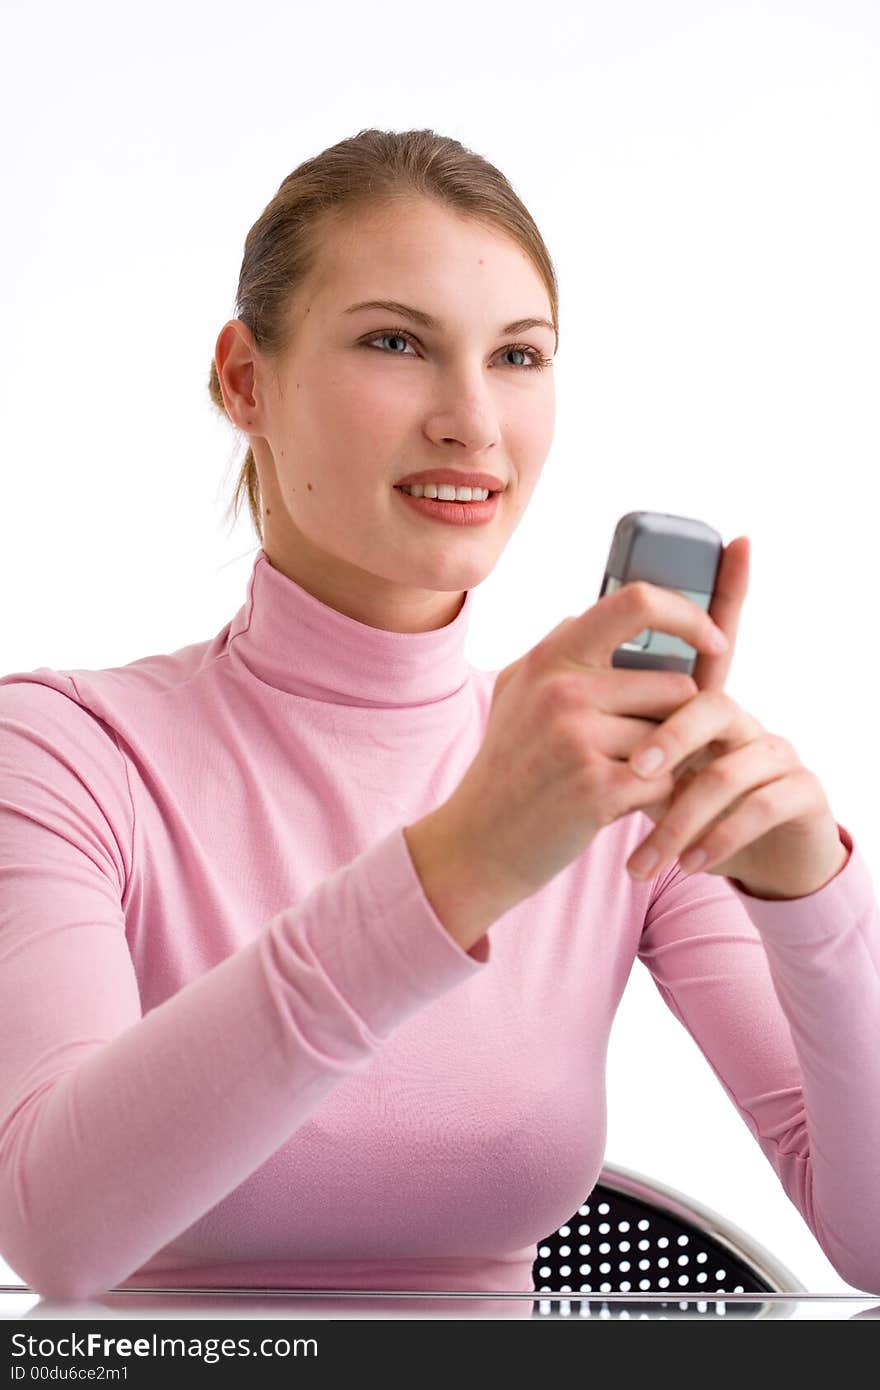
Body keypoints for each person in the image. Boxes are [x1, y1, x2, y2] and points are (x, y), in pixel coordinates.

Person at [1, 128, 879, 1309]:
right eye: (396, 342)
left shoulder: (614, 776)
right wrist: (456, 867)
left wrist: (809, 900)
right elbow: (57, 1230)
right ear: (245, 379)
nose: (472, 420)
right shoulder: (63, 756)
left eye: (518, 356)